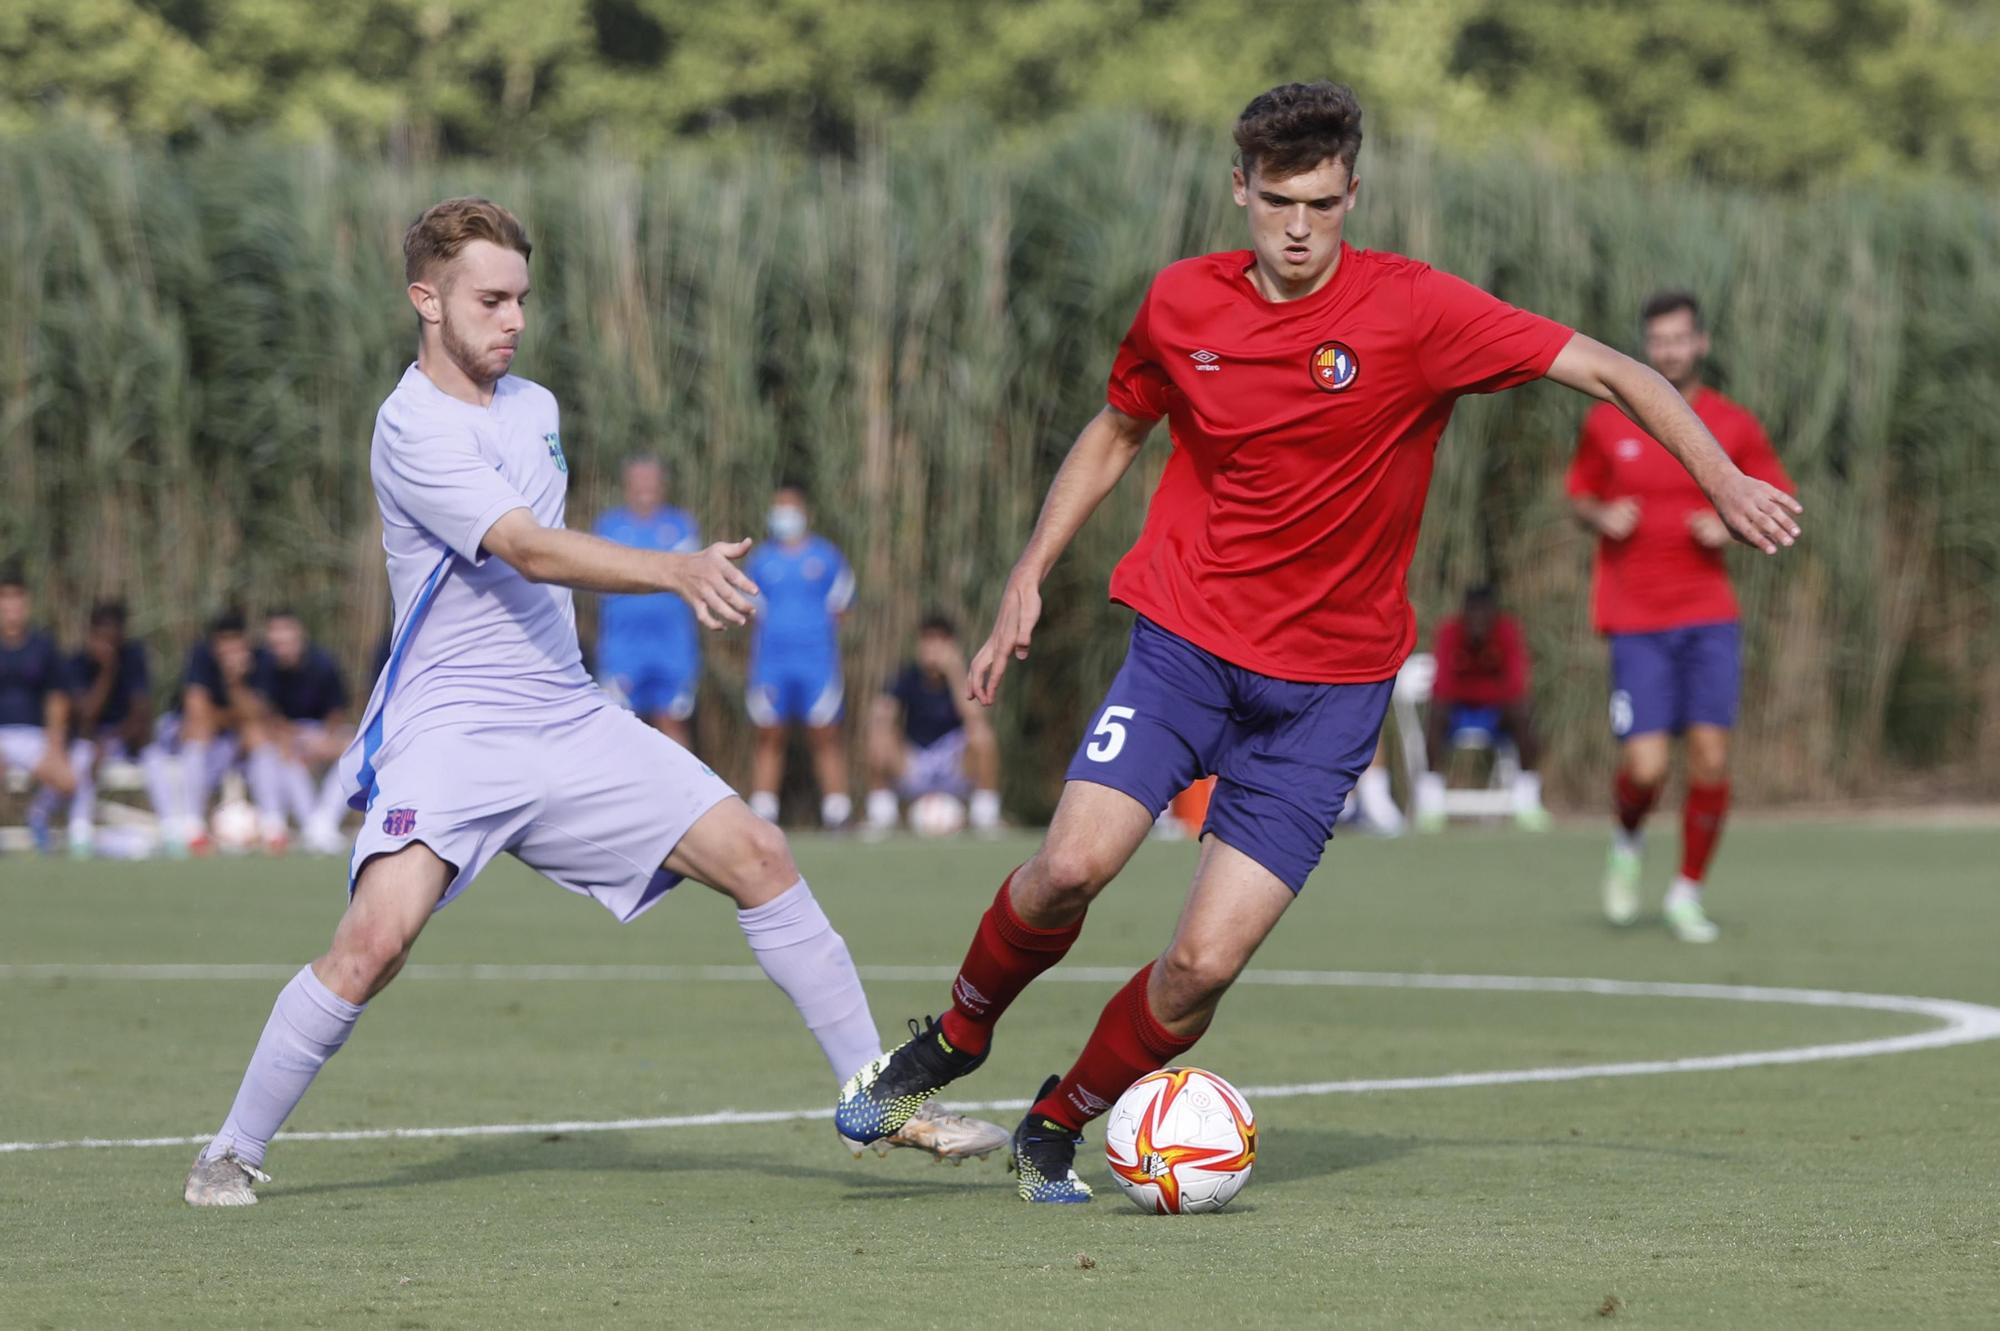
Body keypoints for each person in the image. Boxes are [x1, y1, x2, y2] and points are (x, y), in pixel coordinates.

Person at [835, 81, 1801, 1203]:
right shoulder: (1179, 305)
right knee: (1068, 866)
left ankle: (1054, 1123)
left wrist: (1720, 476)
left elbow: (1609, 368)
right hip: (1184, 644)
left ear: (1354, 193)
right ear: (1237, 188)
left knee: (1201, 964)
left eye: (1325, 204)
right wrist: (1025, 575)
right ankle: (954, 1035)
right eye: (1278, 201)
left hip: (1329, 693)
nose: (1299, 229)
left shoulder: (1417, 310)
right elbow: (1116, 427)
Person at [183, 197, 1003, 1207]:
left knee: (759, 853)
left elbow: (542, 560)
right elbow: (525, 545)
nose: (513, 317)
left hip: (566, 717)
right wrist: (674, 569)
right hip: (452, 732)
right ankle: (231, 1147)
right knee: (373, 942)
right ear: (424, 300)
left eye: (521, 297)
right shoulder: (408, 426)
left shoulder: (536, 407)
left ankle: (879, 1099)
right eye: (489, 298)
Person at [1566, 289, 1794, 943]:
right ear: (1646, 345)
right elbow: (1578, 493)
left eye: (1680, 338)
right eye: (1658, 339)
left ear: (1702, 343)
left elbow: (1778, 494)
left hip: (1709, 615)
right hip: (1635, 617)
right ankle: (1626, 841)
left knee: (1712, 757)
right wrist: (1600, 515)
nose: (1669, 349)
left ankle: (1687, 891)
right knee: (1645, 768)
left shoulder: (1735, 423)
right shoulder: (1610, 420)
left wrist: (1734, 528)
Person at [743, 484, 855, 829]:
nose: (784, 516)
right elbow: (749, 608)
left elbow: (842, 607)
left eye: (790, 508)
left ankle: (837, 812)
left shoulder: (826, 557)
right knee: (769, 733)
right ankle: (763, 811)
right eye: (778, 508)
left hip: (817, 663)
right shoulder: (761, 560)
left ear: (805, 513)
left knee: (824, 733)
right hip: (771, 664)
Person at [1413, 585, 1549, 831]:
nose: (1477, 621)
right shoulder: (1449, 633)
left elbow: (1517, 687)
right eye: (1471, 614)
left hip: (1496, 715)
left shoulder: (1507, 632)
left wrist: (1473, 688)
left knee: (1522, 712)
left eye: (1483, 614)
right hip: (1457, 714)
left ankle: (1527, 798)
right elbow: (1442, 688)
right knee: (1435, 713)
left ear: (1493, 615)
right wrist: (1487, 687)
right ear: (1463, 614)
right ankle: (1431, 801)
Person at [593, 457, 702, 748]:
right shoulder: (608, 527)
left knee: (673, 723)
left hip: (671, 647)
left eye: (651, 480)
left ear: (661, 485)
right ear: (627, 485)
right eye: (638, 480)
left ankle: (682, 792)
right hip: (623, 647)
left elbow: (690, 579)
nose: (645, 487)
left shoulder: (681, 526)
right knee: (620, 727)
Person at [863, 612, 1003, 834]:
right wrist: (882, 716)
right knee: (879, 734)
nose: (932, 647)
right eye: (926, 639)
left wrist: (955, 673)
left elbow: (975, 717)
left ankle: (985, 816)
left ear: (951, 644)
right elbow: (882, 712)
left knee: (981, 734)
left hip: (954, 763)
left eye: (939, 640)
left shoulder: (966, 676)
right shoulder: (906, 676)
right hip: (915, 761)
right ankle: (881, 816)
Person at [144, 608, 265, 857]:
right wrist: (233, 716)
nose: (229, 648)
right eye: (224, 641)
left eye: (235, 640)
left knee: (258, 741)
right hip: (181, 734)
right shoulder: (200, 656)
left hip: (225, 742)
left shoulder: (259, 661)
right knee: (190, 742)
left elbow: (256, 717)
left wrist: (234, 682)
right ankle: (190, 827)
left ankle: (273, 826)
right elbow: (197, 715)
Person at [245, 609, 352, 855]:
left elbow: (336, 713)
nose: (281, 647)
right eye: (275, 641)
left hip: (317, 732)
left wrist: (325, 743)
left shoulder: (323, 662)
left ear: (299, 635)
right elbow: (265, 713)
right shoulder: (263, 665)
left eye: (286, 640)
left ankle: (323, 821)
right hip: (282, 735)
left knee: (356, 747)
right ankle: (285, 824)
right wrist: (291, 739)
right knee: (274, 752)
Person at [63, 599, 154, 857]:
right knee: (82, 756)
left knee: (157, 760)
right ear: (91, 635)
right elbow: (86, 716)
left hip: (124, 740)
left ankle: (176, 831)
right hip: (88, 740)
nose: (108, 646)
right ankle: (79, 831)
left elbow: (141, 716)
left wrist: (110, 742)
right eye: (102, 638)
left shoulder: (134, 657)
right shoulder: (77, 663)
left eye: (114, 639)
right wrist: (107, 672)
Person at [0, 566, 75, 852]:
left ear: (26, 603)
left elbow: (58, 697)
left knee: (68, 781)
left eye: (17, 598)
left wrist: (55, 743)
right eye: (5, 599)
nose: (11, 606)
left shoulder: (42, 646)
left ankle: (38, 814)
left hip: (33, 735)